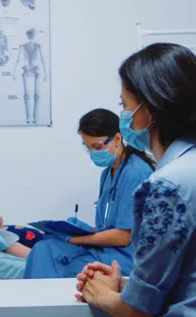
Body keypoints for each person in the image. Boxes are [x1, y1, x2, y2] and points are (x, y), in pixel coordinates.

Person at [75, 43, 196, 317]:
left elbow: (137, 311)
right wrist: (126, 284)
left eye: (124, 105)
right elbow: (193, 279)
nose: (123, 116)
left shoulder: (169, 185)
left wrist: (102, 295)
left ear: (149, 111)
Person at [23, 109, 154, 279]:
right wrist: (78, 230)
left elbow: (123, 237)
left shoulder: (135, 173)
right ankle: (33, 304)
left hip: (127, 257)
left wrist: (73, 239)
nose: (93, 153)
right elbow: (109, 226)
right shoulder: (108, 173)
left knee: (64, 266)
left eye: (97, 147)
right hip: (108, 249)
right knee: (44, 248)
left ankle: (43, 304)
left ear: (117, 139)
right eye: (88, 148)